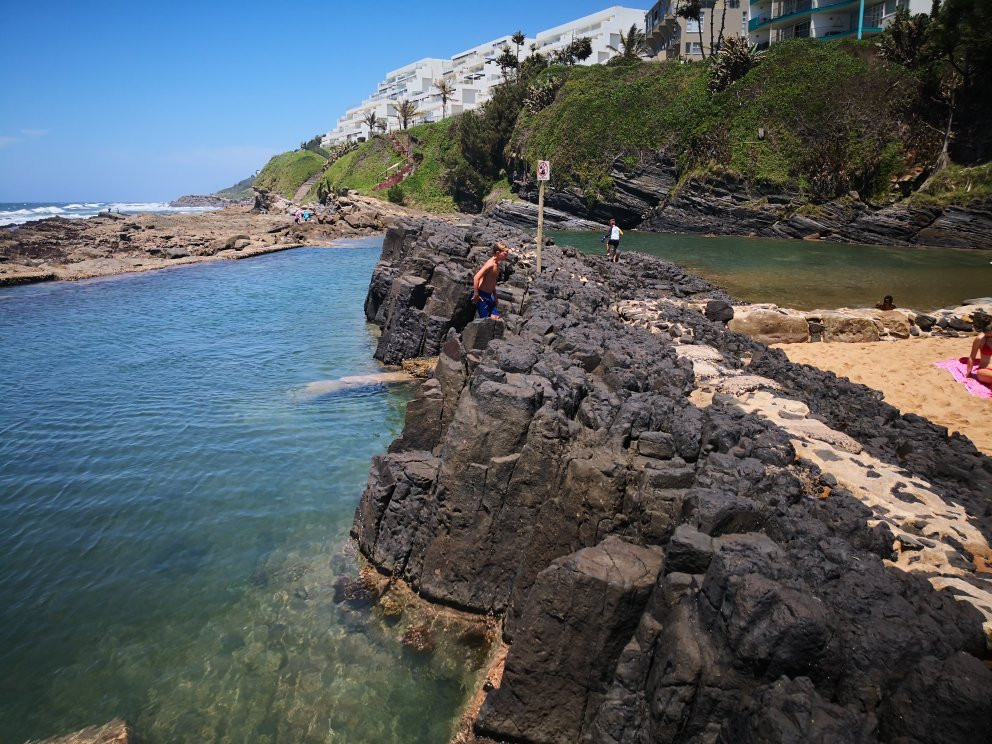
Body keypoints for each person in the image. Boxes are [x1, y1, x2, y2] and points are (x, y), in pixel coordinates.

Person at [472, 242, 510, 319]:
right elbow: (476, 278)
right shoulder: (490, 264)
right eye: (505, 254)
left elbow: (492, 281)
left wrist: (495, 296)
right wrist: (476, 294)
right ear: (498, 253)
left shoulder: (497, 264)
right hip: (482, 295)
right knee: (486, 321)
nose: (507, 256)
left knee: (495, 317)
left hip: (490, 295)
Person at [966, 312, 992, 385]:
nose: (990, 337)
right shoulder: (980, 339)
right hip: (985, 369)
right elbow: (972, 356)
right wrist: (969, 373)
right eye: (987, 336)